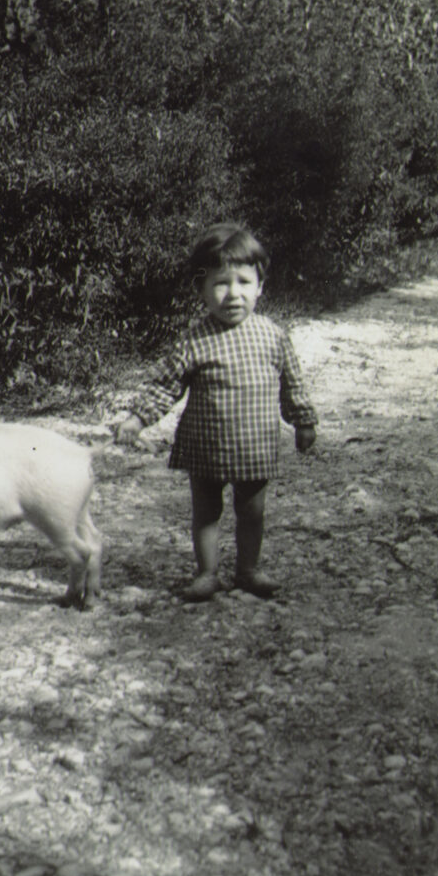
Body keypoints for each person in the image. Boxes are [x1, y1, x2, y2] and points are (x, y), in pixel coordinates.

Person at [115, 222, 317, 602]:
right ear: (202, 290)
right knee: (206, 512)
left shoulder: (272, 334)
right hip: (205, 445)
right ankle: (207, 573)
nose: (233, 294)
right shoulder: (195, 338)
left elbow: (293, 382)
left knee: (252, 511)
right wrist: (138, 418)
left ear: (261, 286)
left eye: (243, 282)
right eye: (220, 284)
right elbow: (165, 384)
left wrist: (303, 419)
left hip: (256, 445)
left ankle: (248, 570)